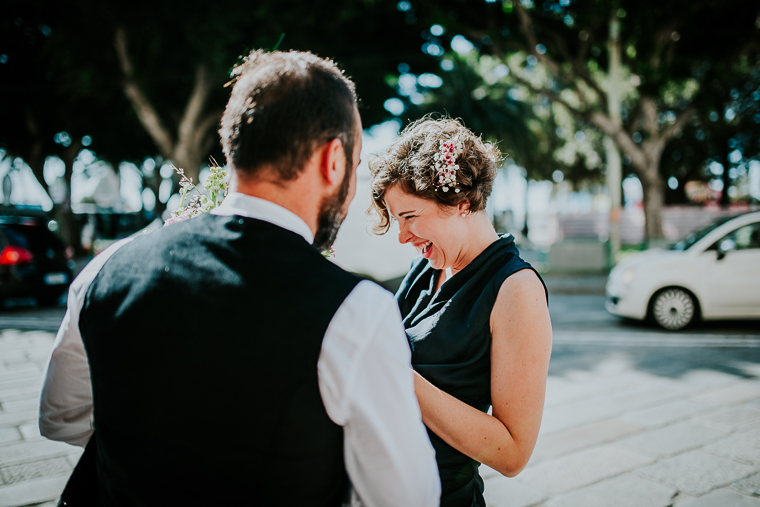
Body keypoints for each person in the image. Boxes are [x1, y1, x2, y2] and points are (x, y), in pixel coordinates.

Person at [39, 51, 440, 507]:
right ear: (333, 160)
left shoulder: (105, 269)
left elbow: (61, 417)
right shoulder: (356, 312)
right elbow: (407, 497)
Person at [369, 118, 553, 507]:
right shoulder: (428, 266)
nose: (401, 236)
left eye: (410, 217)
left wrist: (395, 376)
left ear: (462, 203)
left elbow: (512, 454)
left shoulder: (517, 290)